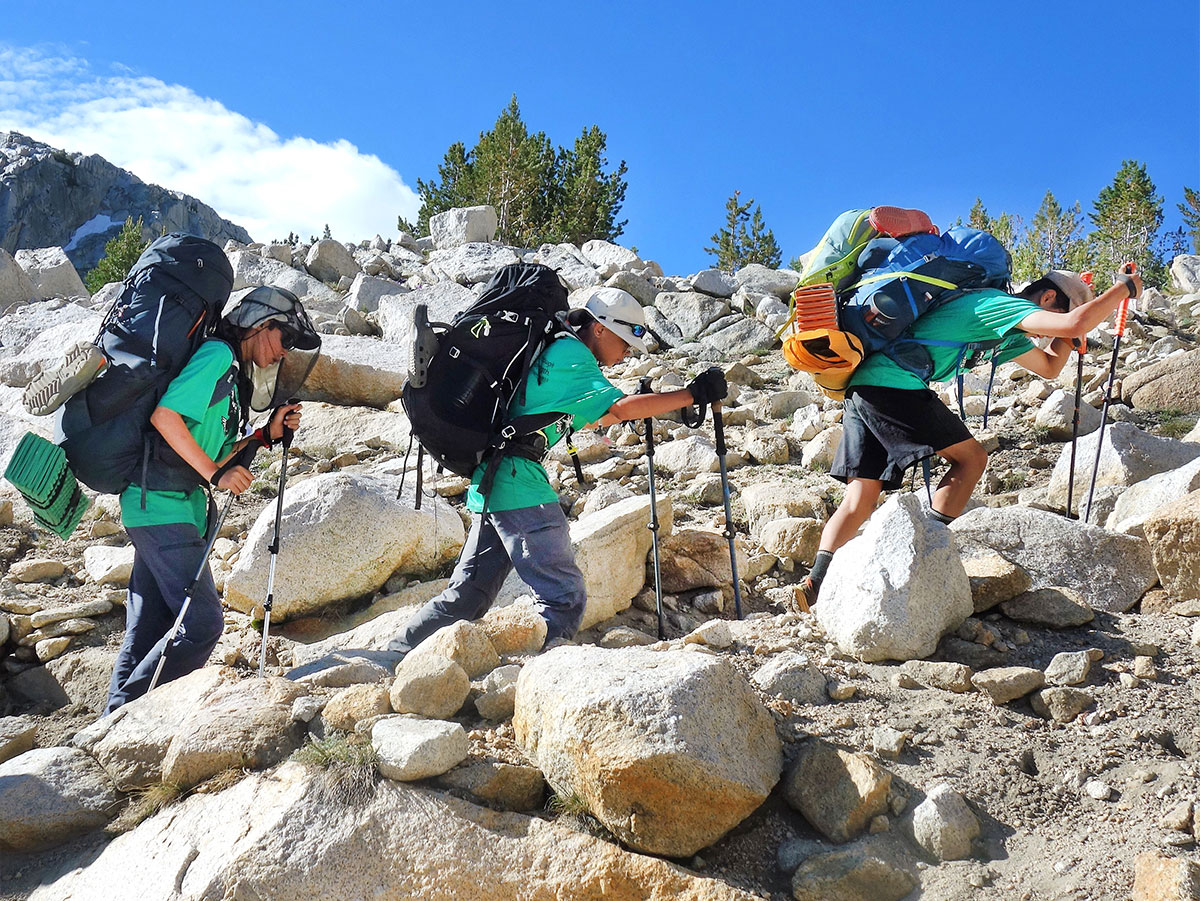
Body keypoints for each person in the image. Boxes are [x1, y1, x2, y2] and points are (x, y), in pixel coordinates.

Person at [386, 287, 727, 656]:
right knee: (565, 598)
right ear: (600, 329)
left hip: (495, 482)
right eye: (625, 341)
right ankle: (544, 675)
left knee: (468, 596)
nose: (627, 352)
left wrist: (670, 400)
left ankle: (393, 656)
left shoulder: (556, 350)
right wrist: (693, 394)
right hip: (519, 484)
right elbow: (622, 408)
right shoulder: (573, 355)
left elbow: (608, 414)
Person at [800, 267, 1143, 607]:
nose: (1046, 330)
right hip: (896, 386)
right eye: (1057, 312)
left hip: (864, 388)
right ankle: (925, 557)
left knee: (860, 497)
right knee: (972, 459)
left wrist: (1068, 336)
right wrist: (1123, 289)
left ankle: (815, 584)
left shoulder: (1004, 332)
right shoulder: (996, 305)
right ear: (1048, 297)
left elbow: (1049, 366)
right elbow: (1075, 324)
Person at [105, 286, 319, 713]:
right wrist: (217, 474)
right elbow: (164, 417)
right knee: (202, 624)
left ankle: (112, 717)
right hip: (161, 506)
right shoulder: (218, 356)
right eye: (285, 339)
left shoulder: (233, 377)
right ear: (261, 325)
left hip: (169, 505)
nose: (285, 353)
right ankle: (132, 717)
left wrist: (263, 435)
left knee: (149, 626)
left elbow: (210, 449)